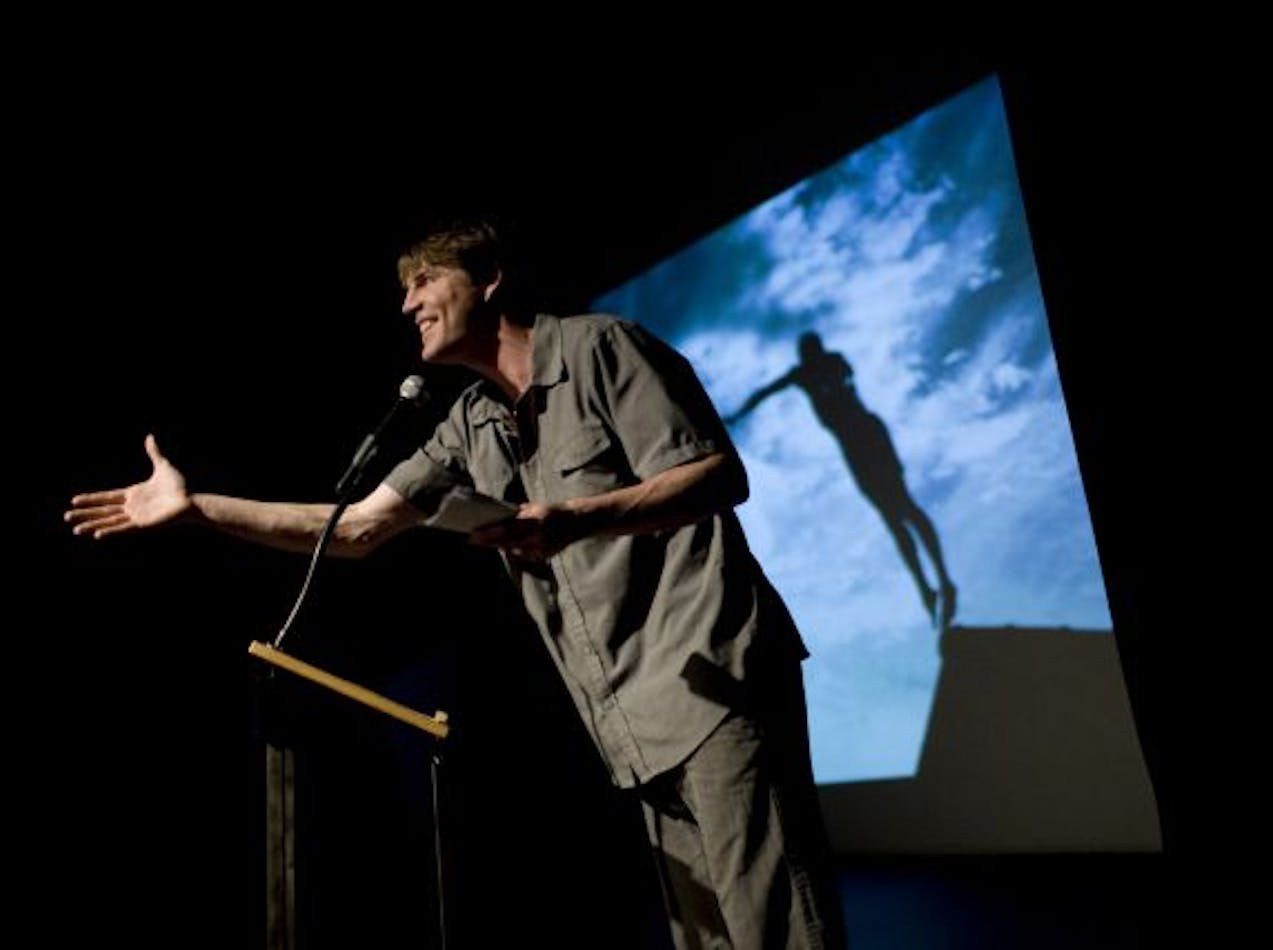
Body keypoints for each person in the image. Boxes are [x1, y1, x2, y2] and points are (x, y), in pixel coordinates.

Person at [65, 218, 847, 949]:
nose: (407, 303)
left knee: (775, 924)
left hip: (713, 678)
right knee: (707, 935)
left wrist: (574, 517)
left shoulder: (604, 347)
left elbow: (716, 476)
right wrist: (198, 507)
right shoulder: (467, 425)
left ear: (491, 280)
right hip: (630, 725)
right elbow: (355, 528)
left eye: (426, 281)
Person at [726, 331, 957, 633]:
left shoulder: (829, 365)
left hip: (868, 436)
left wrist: (818, 384)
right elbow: (765, 392)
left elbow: (842, 380)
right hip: (855, 447)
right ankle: (926, 587)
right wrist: (739, 414)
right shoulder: (806, 373)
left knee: (905, 508)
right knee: (893, 517)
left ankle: (941, 580)